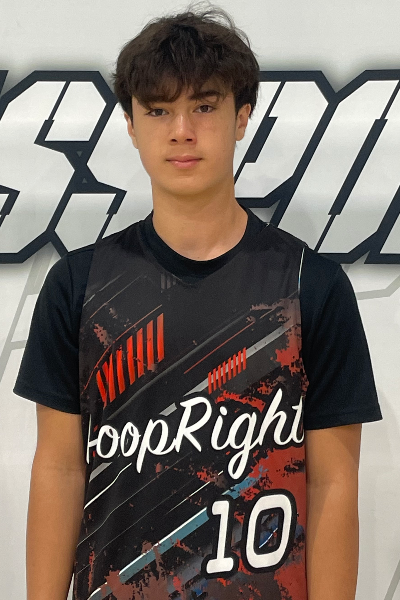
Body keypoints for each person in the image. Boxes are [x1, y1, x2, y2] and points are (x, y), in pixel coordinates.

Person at [14, 3, 382, 600]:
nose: (181, 130)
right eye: (158, 110)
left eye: (204, 107)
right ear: (130, 124)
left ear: (242, 118)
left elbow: (332, 483)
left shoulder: (309, 285)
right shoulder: (78, 286)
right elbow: (58, 469)